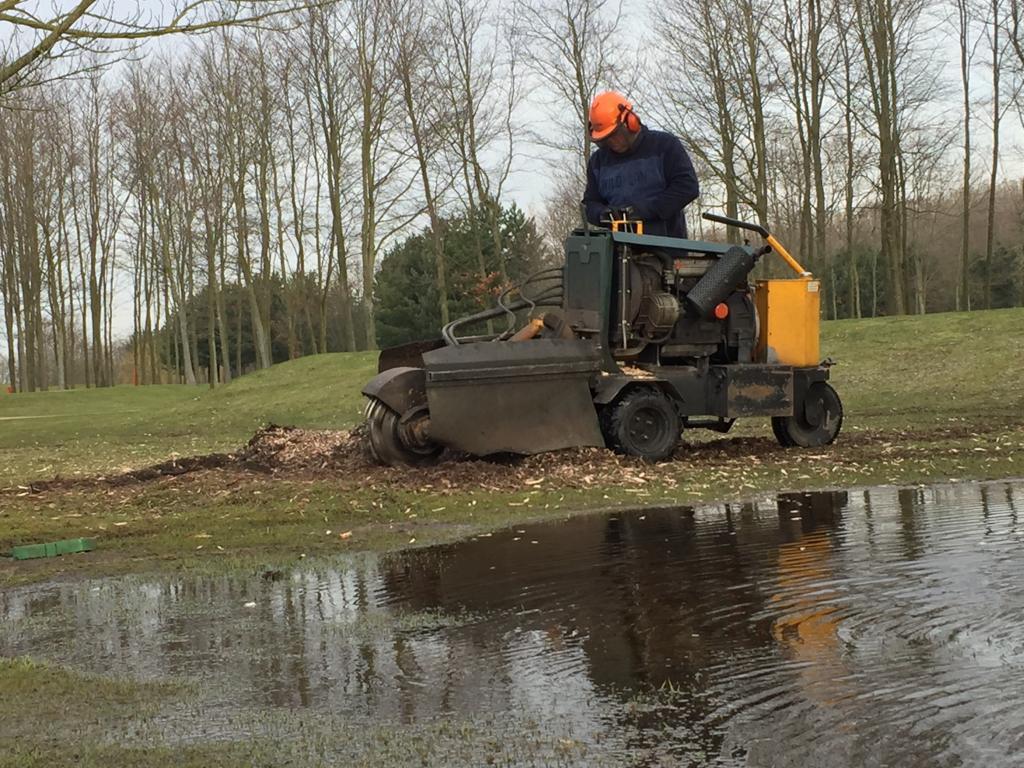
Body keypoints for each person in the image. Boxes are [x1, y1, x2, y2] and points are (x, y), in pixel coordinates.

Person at [582, 90, 699, 239]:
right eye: (606, 139)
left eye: (615, 135)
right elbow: (591, 203)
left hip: (666, 248)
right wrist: (602, 214)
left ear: (630, 121)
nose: (612, 143)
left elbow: (687, 187)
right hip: (616, 250)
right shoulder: (597, 162)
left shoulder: (664, 146)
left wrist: (641, 211)